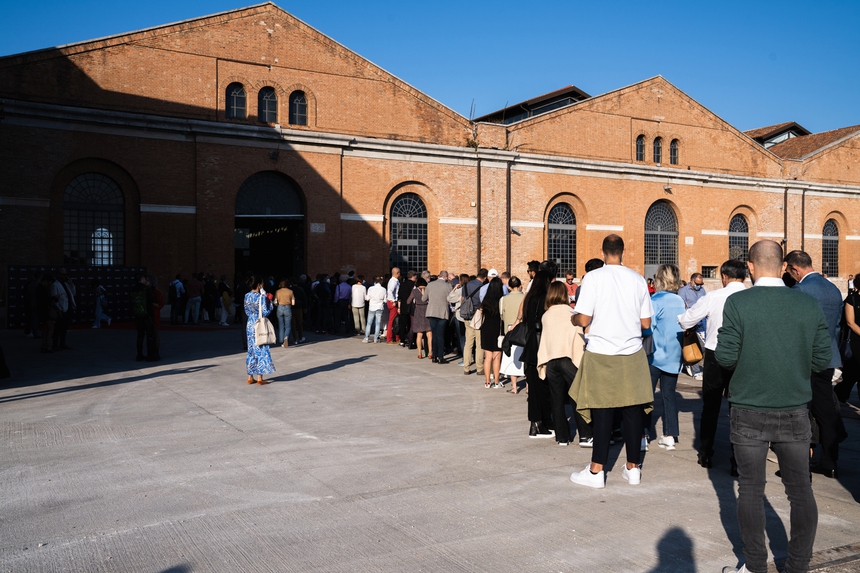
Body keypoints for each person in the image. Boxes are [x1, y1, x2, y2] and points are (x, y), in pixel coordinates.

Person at [716, 240, 831, 573]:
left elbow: (724, 356)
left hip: (748, 409)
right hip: (795, 408)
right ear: (783, 266)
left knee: (750, 489)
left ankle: (754, 566)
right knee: (800, 491)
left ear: (750, 267)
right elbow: (823, 358)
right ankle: (797, 566)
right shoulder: (807, 305)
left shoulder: (738, 303)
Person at [569, 234, 654, 488]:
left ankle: (597, 471)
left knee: (602, 409)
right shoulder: (638, 279)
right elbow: (646, 323)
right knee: (633, 408)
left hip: (601, 351)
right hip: (631, 351)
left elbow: (583, 319)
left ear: (603, 251)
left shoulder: (593, 278)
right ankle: (633, 468)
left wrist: (574, 318)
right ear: (623, 251)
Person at [678, 259, 747, 472]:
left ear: (724, 277)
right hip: (743, 356)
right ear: (744, 276)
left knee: (711, 406)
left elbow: (686, 320)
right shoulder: (751, 297)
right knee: (739, 407)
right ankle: (738, 459)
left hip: (715, 354)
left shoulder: (714, 296)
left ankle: (706, 453)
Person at [784, 250, 846, 479]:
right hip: (828, 357)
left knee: (801, 412)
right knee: (826, 412)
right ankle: (830, 462)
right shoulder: (832, 289)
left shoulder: (800, 290)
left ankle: (801, 465)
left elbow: (791, 329)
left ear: (795, 269)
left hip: (804, 359)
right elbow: (837, 326)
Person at [537, 281, 590, 446]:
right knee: (577, 397)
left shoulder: (546, 316)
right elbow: (577, 338)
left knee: (556, 399)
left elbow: (545, 341)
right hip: (569, 359)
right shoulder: (571, 313)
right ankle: (585, 436)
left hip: (552, 361)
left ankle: (562, 437)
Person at [643, 264, 685, 452]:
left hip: (654, 354)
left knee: (646, 396)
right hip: (674, 355)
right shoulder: (680, 301)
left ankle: (644, 434)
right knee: (669, 396)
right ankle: (669, 435)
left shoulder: (655, 300)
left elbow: (647, 328)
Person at [519, 269, 555, 437]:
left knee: (534, 386)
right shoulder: (545, 299)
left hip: (531, 344)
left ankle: (535, 423)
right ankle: (541, 422)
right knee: (545, 386)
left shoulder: (529, 299)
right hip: (543, 344)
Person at [244, 274, 275, 385]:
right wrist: (269, 301)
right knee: (261, 349)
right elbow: (266, 311)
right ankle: (260, 378)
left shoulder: (247, 295)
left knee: (251, 350)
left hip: (250, 323)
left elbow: (246, 310)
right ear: (259, 285)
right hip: (259, 323)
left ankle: (249, 376)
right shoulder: (261, 297)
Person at [679, 272, 707, 380]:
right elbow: (681, 305)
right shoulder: (683, 291)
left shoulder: (702, 291)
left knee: (704, 347)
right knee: (696, 345)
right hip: (691, 322)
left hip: (702, 322)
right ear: (691, 281)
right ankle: (696, 370)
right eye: (697, 283)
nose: (699, 286)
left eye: (701, 284)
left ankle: (688, 362)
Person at [836, 275, 860, 403]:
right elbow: (850, 322)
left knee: (852, 373)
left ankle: (840, 394)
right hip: (855, 342)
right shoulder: (852, 299)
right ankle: (839, 395)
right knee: (851, 374)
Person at [500, 276, 525, 393]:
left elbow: (502, 315)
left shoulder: (504, 299)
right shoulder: (525, 297)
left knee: (511, 359)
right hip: (523, 329)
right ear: (520, 285)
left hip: (510, 329)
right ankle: (528, 387)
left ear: (509, 287)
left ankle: (514, 387)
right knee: (525, 358)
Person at [461, 269, 488, 375]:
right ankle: (479, 367)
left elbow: (463, 299)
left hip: (467, 315)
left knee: (468, 343)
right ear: (485, 277)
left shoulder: (466, 285)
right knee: (479, 343)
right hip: (478, 316)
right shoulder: (483, 287)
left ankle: (466, 368)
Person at [479, 277, 505, 388]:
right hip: (498, 328)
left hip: (486, 328)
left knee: (487, 356)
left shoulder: (485, 300)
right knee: (497, 357)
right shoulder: (502, 300)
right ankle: (496, 381)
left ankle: (487, 381)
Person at [423, 270, 452, 364]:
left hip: (431, 311)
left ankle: (434, 355)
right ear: (446, 277)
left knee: (434, 335)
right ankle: (440, 357)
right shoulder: (448, 286)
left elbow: (423, 298)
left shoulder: (430, 285)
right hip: (443, 313)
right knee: (441, 335)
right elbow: (451, 299)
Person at [130, 274, 158, 361]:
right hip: (147, 315)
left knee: (140, 336)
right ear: (142, 279)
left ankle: (139, 355)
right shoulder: (146, 289)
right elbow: (153, 299)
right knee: (150, 335)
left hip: (137, 315)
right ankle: (150, 355)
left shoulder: (133, 289)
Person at [407, 278, 431, 358]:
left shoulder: (415, 291)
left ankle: (419, 353)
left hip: (418, 311)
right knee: (429, 333)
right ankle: (430, 353)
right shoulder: (428, 289)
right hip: (427, 310)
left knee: (419, 334)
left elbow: (408, 301)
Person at [364, 276, 387, 343]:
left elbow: (367, 298)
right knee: (378, 323)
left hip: (372, 307)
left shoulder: (371, 288)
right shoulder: (383, 289)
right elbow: (385, 300)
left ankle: (366, 338)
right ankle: (375, 338)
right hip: (380, 307)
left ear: (374, 282)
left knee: (369, 323)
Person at [397, 270, 417, 347]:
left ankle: (402, 340)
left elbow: (399, 297)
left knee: (402, 324)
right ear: (413, 276)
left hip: (403, 306)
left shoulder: (402, 284)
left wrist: (399, 307)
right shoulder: (414, 285)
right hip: (412, 306)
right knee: (411, 325)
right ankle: (411, 340)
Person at [274, 280, 295, 348]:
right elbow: (293, 303)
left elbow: (275, 302)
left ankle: (281, 340)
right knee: (288, 326)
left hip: (279, 307)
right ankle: (286, 338)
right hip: (287, 307)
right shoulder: (290, 291)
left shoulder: (278, 291)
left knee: (281, 325)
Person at [386, 267, 401, 344]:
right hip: (392, 302)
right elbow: (390, 291)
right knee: (392, 321)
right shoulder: (393, 281)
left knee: (395, 321)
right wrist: (393, 300)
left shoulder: (394, 281)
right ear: (397, 273)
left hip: (391, 301)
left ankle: (396, 337)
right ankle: (390, 339)